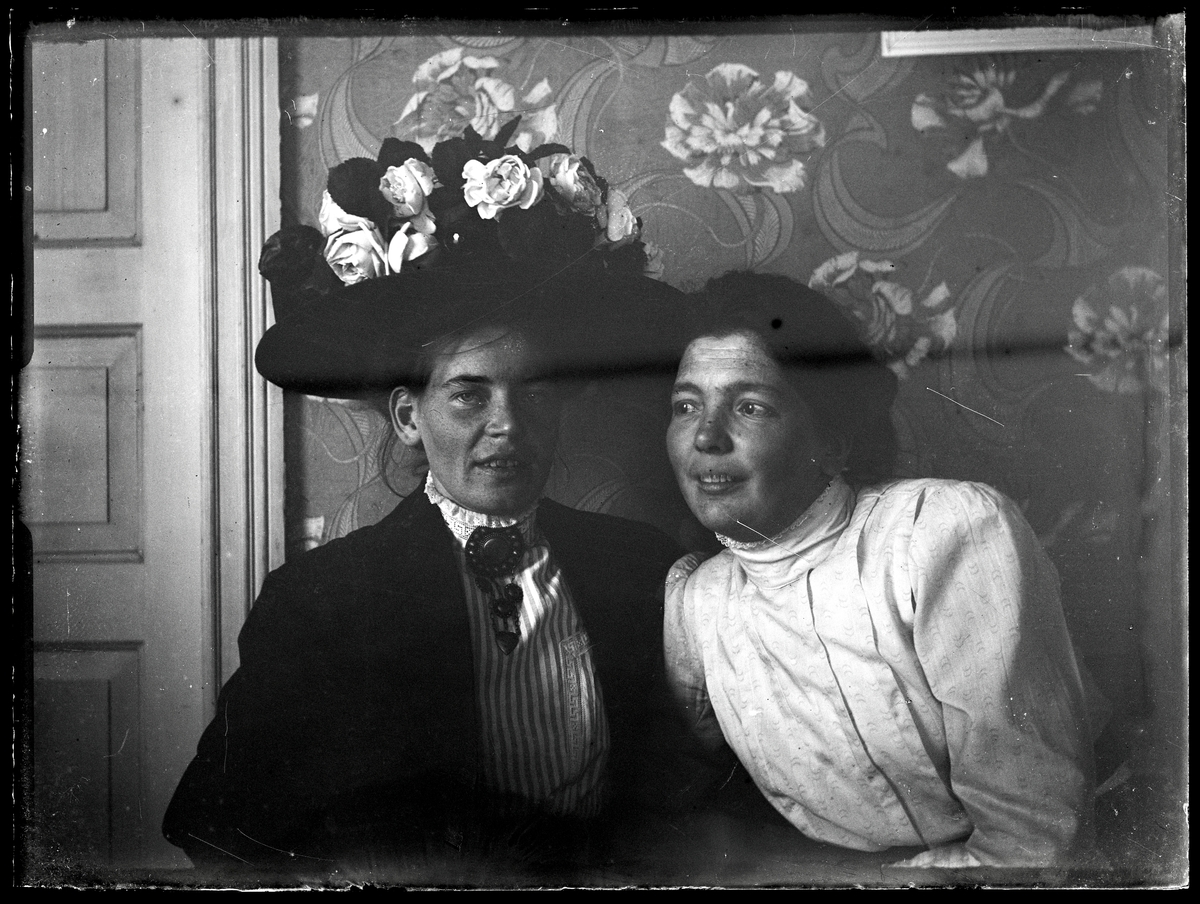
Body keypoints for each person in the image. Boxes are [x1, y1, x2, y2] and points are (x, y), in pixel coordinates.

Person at [162, 122, 703, 883]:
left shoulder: (641, 569)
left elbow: (685, 803)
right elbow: (218, 828)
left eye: (533, 393)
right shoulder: (322, 600)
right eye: (469, 395)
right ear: (409, 418)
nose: (507, 425)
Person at [662, 270, 1102, 871]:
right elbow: (697, 797)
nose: (706, 437)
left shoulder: (941, 533)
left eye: (750, 407)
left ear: (832, 442)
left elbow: (1034, 842)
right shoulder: (698, 600)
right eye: (686, 406)